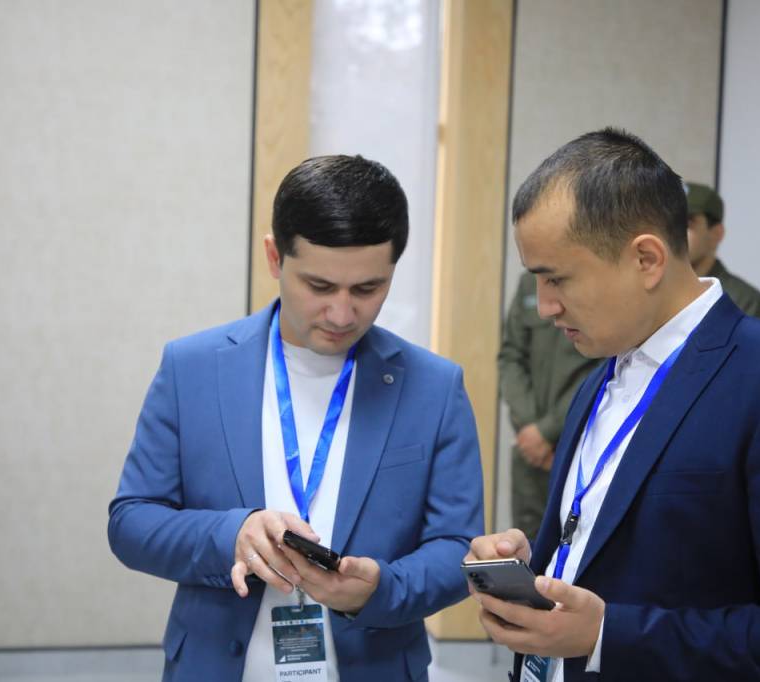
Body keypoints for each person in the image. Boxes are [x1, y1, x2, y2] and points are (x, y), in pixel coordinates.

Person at [467, 128, 760, 682]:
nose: (544, 307)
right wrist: (531, 568)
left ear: (647, 259)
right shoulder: (600, 377)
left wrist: (608, 636)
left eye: (556, 279)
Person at [108, 155, 484, 681]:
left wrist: (380, 589)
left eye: (368, 289)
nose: (342, 314)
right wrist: (231, 534)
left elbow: (458, 547)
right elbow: (131, 522)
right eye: (320, 286)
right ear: (274, 257)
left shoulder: (434, 388)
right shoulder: (192, 369)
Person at [498, 273, 598, 540]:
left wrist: (547, 430)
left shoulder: (594, 276)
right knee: (525, 549)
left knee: (576, 545)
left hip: (579, 442)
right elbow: (510, 357)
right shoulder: (529, 281)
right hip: (530, 453)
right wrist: (530, 430)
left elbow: (606, 363)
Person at [684, 181, 760, 322]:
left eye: (687, 225)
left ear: (716, 233)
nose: (674, 233)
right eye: (669, 225)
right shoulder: (655, 295)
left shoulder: (743, 301)